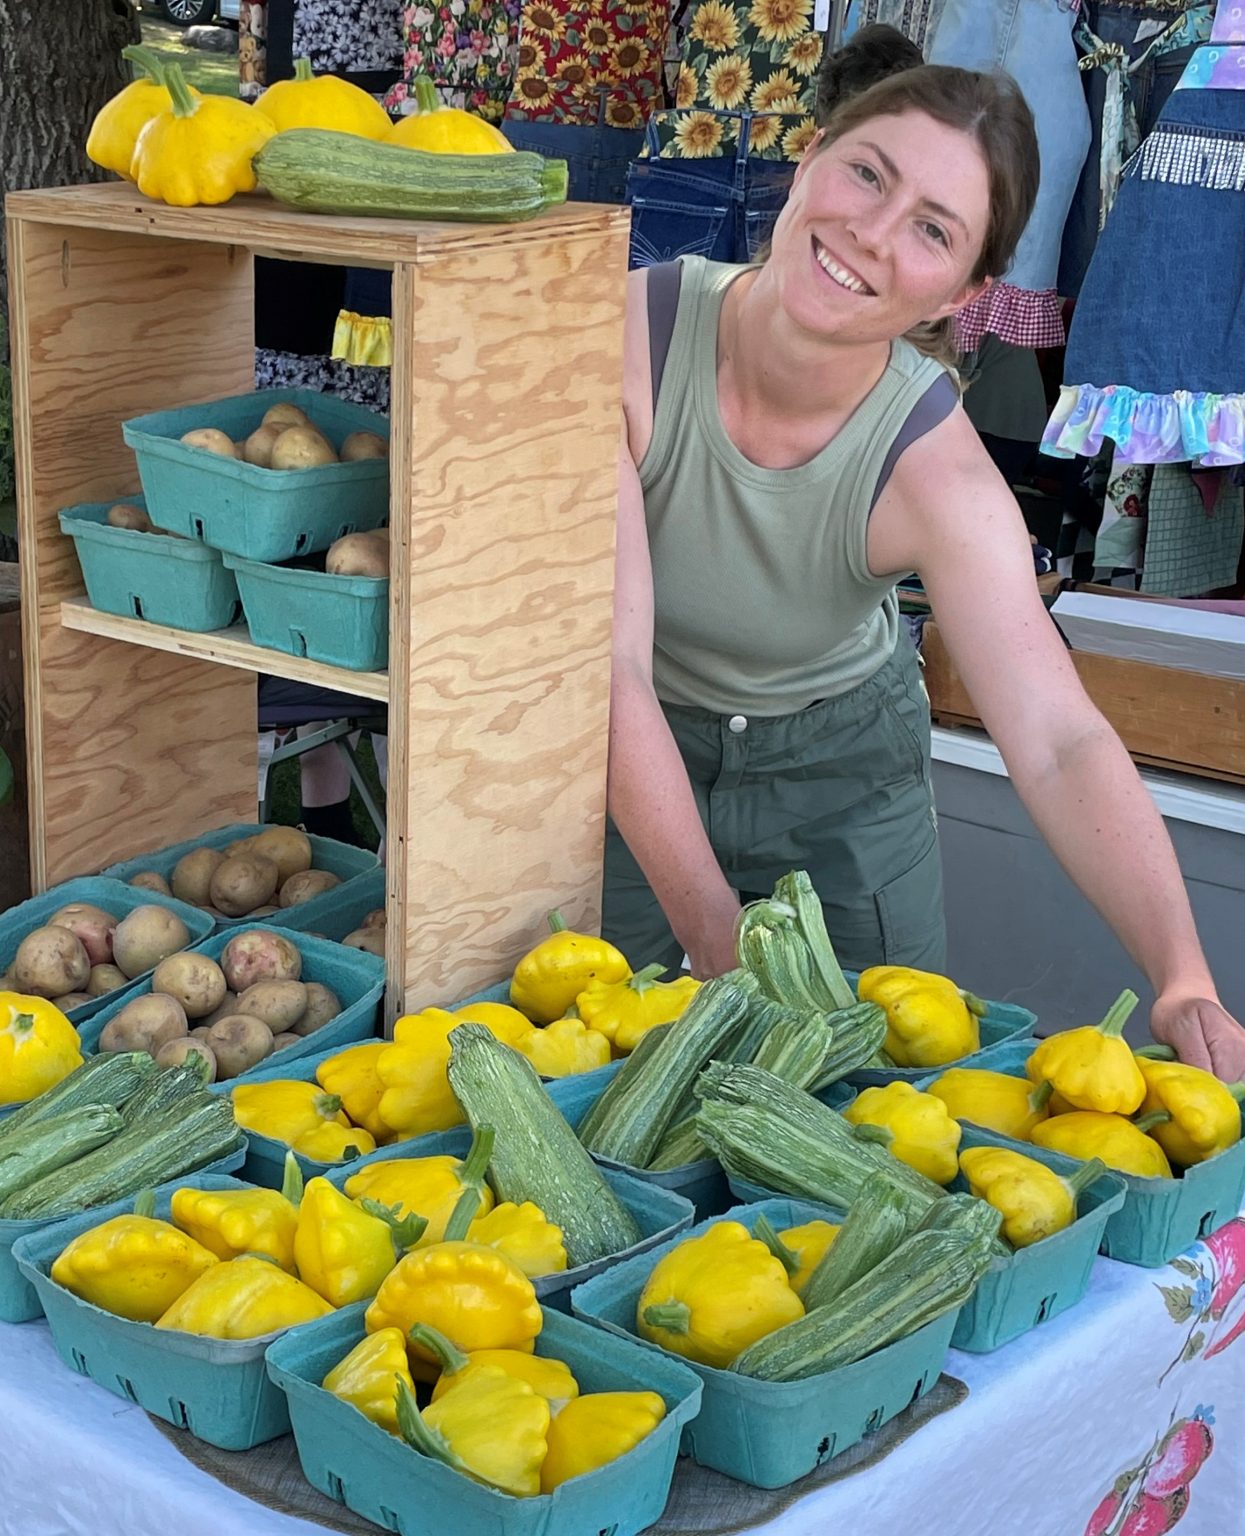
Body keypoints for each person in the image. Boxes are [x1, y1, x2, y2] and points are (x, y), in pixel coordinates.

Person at [603, 64, 1245, 1080]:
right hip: (629, 760)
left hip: (839, 780)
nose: (873, 230)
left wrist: (1182, 974)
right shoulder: (629, 341)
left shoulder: (938, 476)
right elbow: (613, 673)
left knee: (875, 1105)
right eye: (867, 174)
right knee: (589, 1076)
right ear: (808, 158)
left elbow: (1058, 739)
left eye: (933, 229)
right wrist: (715, 939)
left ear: (964, 294)